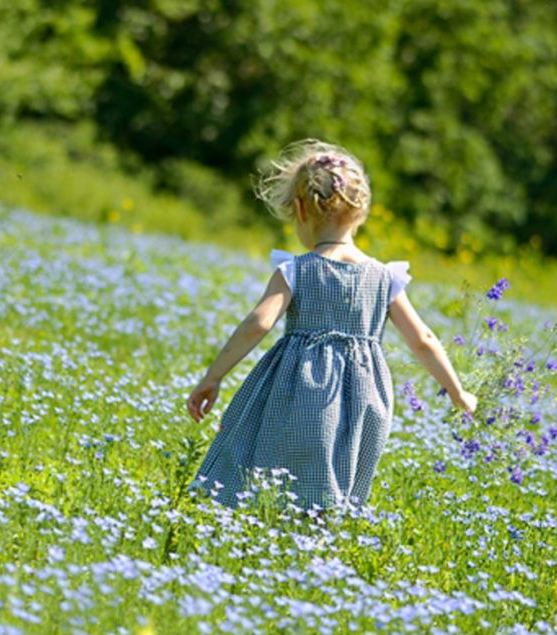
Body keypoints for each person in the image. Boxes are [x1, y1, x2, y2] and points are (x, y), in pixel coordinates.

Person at [185, 139, 477, 512]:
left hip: (296, 389)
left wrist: (214, 375)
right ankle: (320, 537)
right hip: (363, 399)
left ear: (302, 209)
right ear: (362, 210)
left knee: (268, 459)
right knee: (333, 483)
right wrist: (457, 392)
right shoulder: (384, 278)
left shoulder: (295, 269)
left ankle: (254, 517)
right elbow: (422, 339)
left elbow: (259, 322)